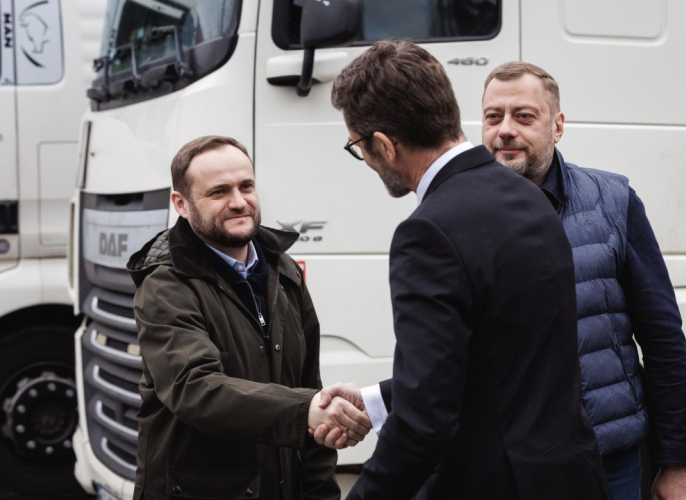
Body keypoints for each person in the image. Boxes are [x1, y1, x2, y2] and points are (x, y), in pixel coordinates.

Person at [321, 39, 610, 499]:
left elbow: (425, 421)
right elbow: (502, 359)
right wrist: (376, 401)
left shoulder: (428, 232)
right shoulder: (529, 195)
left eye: (359, 146)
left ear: (385, 146)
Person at [479, 62, 686, 500]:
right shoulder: (459, 214)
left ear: (557, 127)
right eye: (492, 117)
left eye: (524, 116)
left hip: (605, 460)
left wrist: (677, 462)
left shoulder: (613, 203)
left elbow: (662, 338)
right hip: (500, 465)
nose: (505, 130)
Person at [126, 136, 370, 500]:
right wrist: (304, 411)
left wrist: (321, 492)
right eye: (219, 192)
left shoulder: (283, 271)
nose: (239, 202)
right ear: (181, 204)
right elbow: (195, 388)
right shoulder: (165, 285)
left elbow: (309, 387)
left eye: (246, 186)